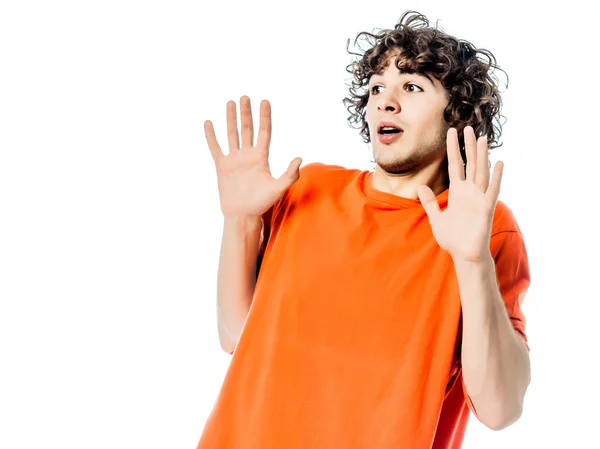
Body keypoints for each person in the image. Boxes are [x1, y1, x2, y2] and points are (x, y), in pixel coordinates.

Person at [198, 10, 531, 449]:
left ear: (457, 115)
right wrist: (239, 221)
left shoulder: (483, 227)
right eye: (377, 88)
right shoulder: (310, 189)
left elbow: (500, 408)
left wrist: (472, 262)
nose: (384, 101)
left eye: (411, 87)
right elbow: (238, 337)